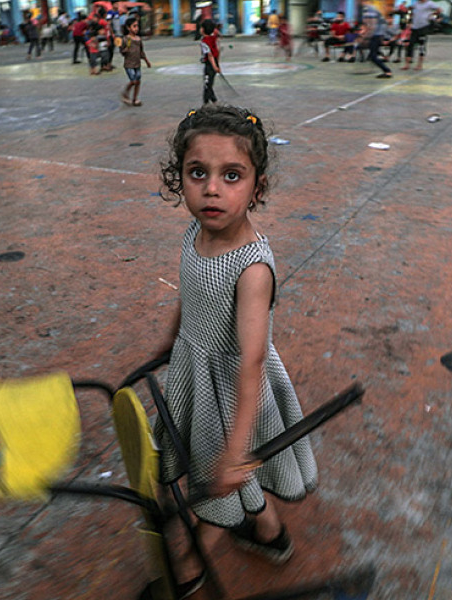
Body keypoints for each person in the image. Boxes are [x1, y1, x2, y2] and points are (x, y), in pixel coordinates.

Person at [154, 105, 318, 596]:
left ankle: (189, 561)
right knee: (230, 481)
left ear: (257, 188)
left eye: (232, 176)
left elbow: (250, 360)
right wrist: (170, 340)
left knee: (217, 481)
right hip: (195, 366)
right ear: (179, 177)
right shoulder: (196, 233)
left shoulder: (252, 268)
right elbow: (190, 293)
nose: (211, 189)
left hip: (232, 393)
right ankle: (269, 533)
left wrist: (238, 448)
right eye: (197, 173)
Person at [119, 17, 151, 107]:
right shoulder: (125, 39)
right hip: (129, 64)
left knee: (138, 81)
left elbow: (141, 52)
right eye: (134, 26)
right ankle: (126, 92)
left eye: (137, 26)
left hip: (137, 64)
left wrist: (146, 61)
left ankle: (135, 98)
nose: (136, 28)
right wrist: (125, 49)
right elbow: (122, 52)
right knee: (133, 81)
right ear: (128, 28)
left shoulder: (138, 39)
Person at [404, 0, 439, 71]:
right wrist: (410, 18)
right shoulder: (416, 3)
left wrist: (430, 15)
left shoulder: (430, 3)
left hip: (424, 27)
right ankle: (407, 64)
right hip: (415, 27)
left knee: (421, 46)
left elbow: (439, 10)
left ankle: (419, 65)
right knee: (410, 44)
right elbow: (411, 9)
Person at [199, 19, 220, 105]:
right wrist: (217, 65)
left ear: (203, 29)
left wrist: (214, 66)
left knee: (207, 84)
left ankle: (207, 103)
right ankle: (213, 100)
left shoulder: (204, 42)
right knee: (209, 83)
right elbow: (217, 51)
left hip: (210, 65)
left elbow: (210, 55)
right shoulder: (213, 38)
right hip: (214, 62)